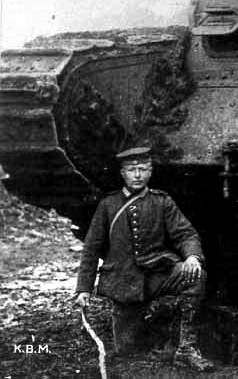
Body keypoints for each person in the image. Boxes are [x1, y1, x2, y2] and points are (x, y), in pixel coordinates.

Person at [73, 147, 214, 371]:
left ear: (150, 172)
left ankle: (185, 348)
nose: (137, 175)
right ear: (122, 173)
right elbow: (91, 249)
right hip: (122, 283)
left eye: (143, 169)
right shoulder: (108, 205)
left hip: (156, 276)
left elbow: (185, 234)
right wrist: (83, 289)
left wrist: (193, 257)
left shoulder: (162, 201)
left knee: (195, 277)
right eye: (131, 170)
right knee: (128, 354)